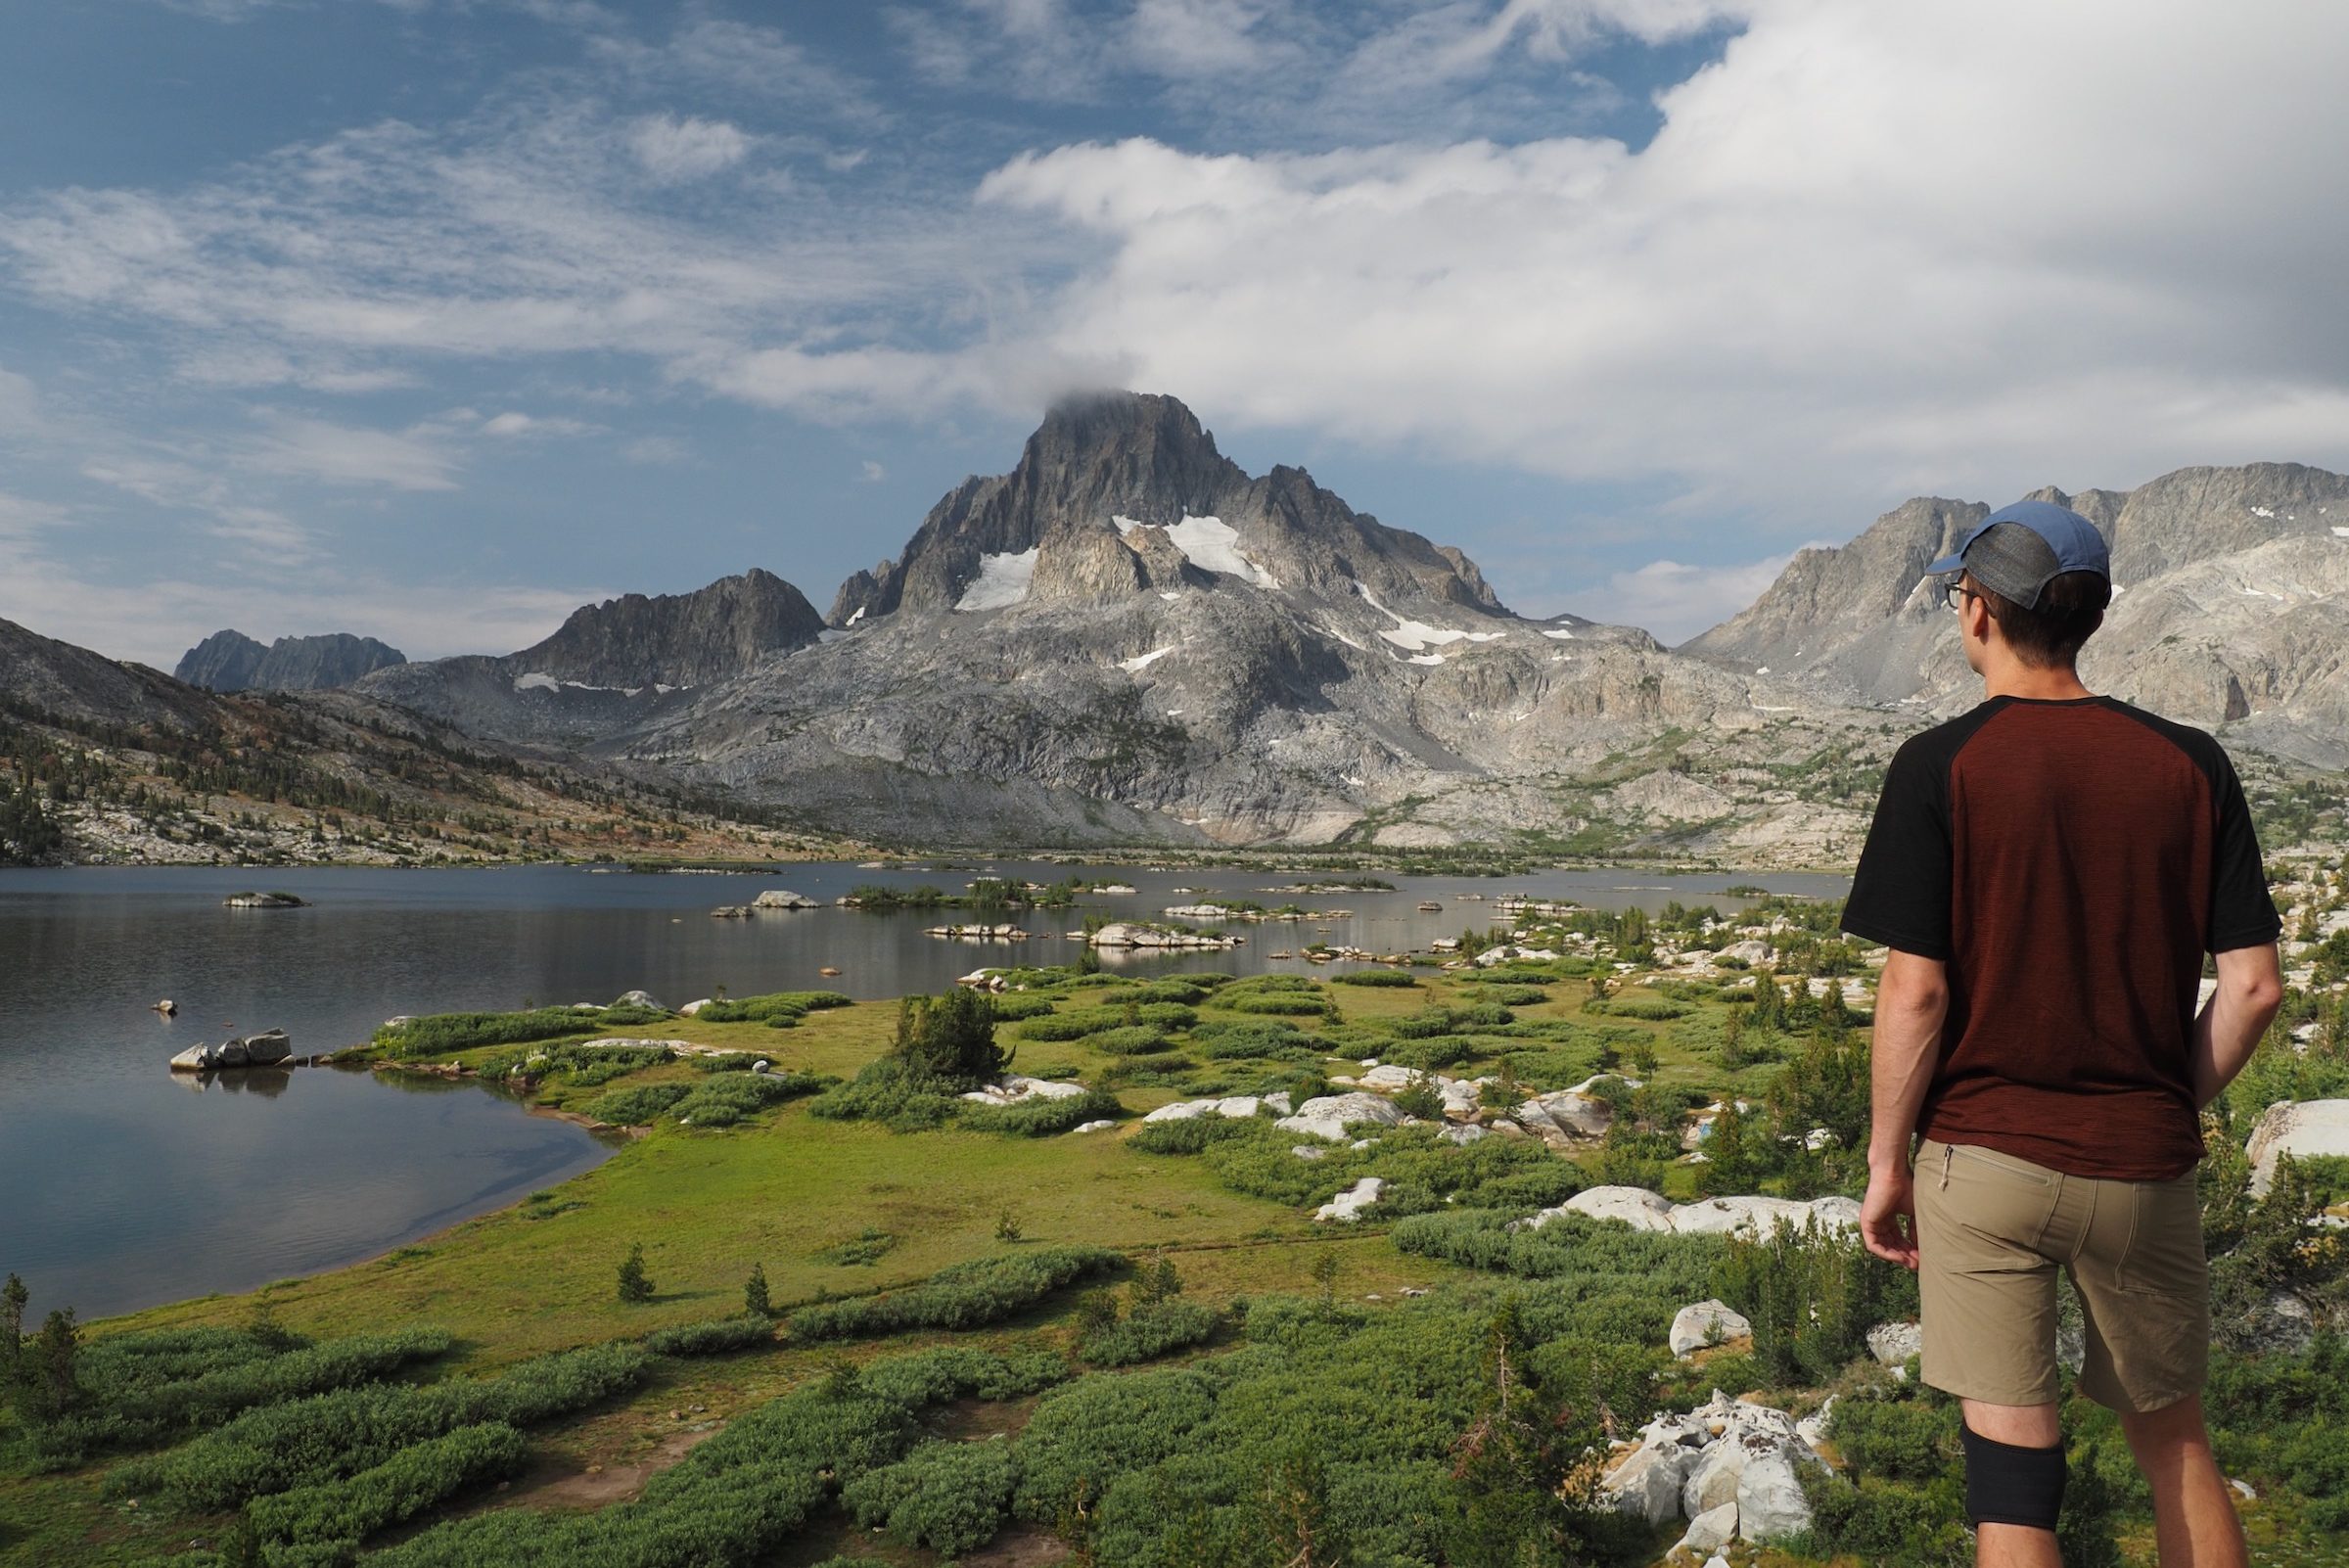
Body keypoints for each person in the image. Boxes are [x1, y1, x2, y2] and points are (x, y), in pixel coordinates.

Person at [1839, 500, 2284, 1567]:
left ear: (1980, 611)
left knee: (2012, 1481)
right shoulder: (2192, 764)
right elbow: (2256, 990)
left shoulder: (1939, 765)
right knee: (2176, 1443)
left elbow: (1915, 997)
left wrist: (1885, 1162)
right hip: (2142, 1166)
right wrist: (2165, 1099)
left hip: (1982, 1159)